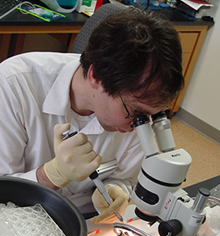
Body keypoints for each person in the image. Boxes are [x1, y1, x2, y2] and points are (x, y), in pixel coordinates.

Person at [0, 6, 183, 224]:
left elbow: (125, 178)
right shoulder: (14, 85)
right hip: (18, 219)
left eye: (152, 115)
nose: (138, 126)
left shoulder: (138, 110)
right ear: (96, 76)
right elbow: (3, 190)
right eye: (135, 113)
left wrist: (113, 190)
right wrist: (50, 175)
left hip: (85, 221)